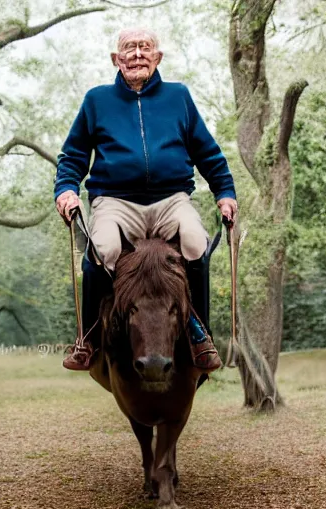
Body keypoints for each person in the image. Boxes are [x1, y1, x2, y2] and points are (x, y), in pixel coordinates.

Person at [54, 28, 237, 372]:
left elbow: (208, 152)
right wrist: (65, 189)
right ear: (116, 59)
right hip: (116, 201)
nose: (137, 54)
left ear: (157, 57)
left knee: (197, 243)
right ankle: (89, 337)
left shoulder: (178, 96)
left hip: (171, 198)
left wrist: (225, 193)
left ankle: (200, 332)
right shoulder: (96, 100)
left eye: (145, 48)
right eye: (129, 48)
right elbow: (74, 155)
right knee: (102, 249)